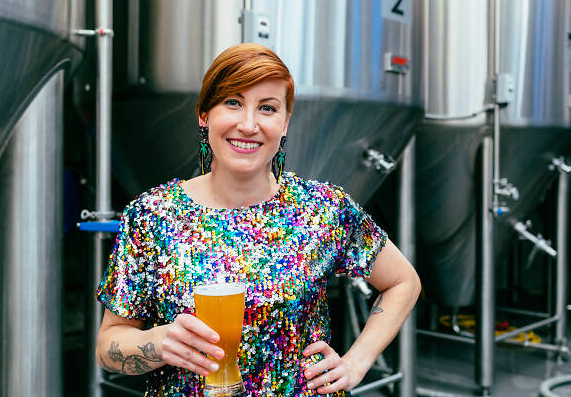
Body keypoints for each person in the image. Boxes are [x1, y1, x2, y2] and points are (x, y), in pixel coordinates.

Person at [95, 43, 421, 396]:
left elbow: (403, 281)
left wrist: (356, 362)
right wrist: (156, 344)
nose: (248, 125)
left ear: (285, 123)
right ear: (203, 114)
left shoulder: (321, 208)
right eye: (232, 102)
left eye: (267, 108)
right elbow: (108, 347)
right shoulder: (152, 215)